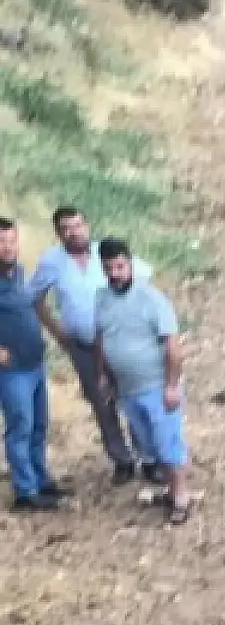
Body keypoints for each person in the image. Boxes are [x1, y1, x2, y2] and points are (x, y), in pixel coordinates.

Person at [31, 207, 158, 485]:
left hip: (121, 343)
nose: (74, 231)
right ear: (58, 233)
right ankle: (121, 460)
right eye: (66, 227)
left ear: (87, 225)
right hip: (84, 346)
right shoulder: (52, 262)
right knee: (102, 403)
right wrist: (58, 332)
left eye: (78, 225)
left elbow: (144, 279)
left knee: (134, 399)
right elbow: (35, 298)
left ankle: (148, 458)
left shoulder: (107, 253)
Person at [93, 238, 191, 524]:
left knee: (168, 444)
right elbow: (101, 338)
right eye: (109, 268)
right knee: (148, 447)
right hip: (127, 389)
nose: (116, 273)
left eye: (120, 266)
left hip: (157, 387)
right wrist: (104, 375)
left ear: (131, 264)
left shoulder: (152, 299)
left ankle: (181, 497)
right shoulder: (101, 298)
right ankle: (171, 490)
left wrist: (172, 386)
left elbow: (173, 347)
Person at [0, 215, 65, 512]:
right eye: (1, 242)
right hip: (12, 371)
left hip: (35, 364)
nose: (7, 246)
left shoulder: (19, 273)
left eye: (11, 240)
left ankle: (41, 479)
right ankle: (25, 492)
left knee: (39, 426)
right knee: (20, 428)